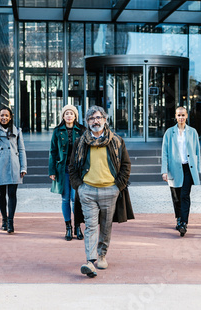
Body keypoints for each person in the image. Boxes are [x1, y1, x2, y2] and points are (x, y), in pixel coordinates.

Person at [69, 105, 133, 278]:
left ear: (105, 120)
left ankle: (102, 255)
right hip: (87, 191)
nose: (95, 121)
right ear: (87, 122)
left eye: (98, 118)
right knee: (90, 226)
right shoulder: (81, 142)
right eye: (91, 119)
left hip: (109, 190)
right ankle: (90, 261)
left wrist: (117, 187)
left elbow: (126, 166)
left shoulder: (116, 141)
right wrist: (79, 187)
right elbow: (72, 167)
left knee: (105, 225)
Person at [161, 106, 201, 237]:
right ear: (175, 116)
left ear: (187, 116)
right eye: (179, 115)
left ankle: (184, 222)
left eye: (183, 115)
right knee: (176, 196)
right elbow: (164, 153)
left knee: (185, 195)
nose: (181, 118)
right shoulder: (169, 132)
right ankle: (178, 218)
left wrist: (197, 168)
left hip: (188, 167)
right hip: (174, 168)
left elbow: (197, 151)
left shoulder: (193, 132)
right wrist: (164, 170)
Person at [0, 107, 27, 234]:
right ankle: (4, 219)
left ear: (10, 117)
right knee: (1, 193)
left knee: (12, 194)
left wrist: (23, 167)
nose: (4, 118)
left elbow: (21, 150)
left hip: (14, 165)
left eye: (6, 115)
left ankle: (10, 221)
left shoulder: (17, 131)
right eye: (1, 115)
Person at [49, 105, 85, 241]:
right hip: (62, 169)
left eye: (71, 113)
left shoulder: (82, 130)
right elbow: (52, 151)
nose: (69, 115)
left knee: (75, 199)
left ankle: (77, 227)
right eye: (66, 113)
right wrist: (51, 170)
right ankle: (68, 228)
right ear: (63, 116)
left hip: (77, 170)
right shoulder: (57, 131)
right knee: (65, 199)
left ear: (75, 116)